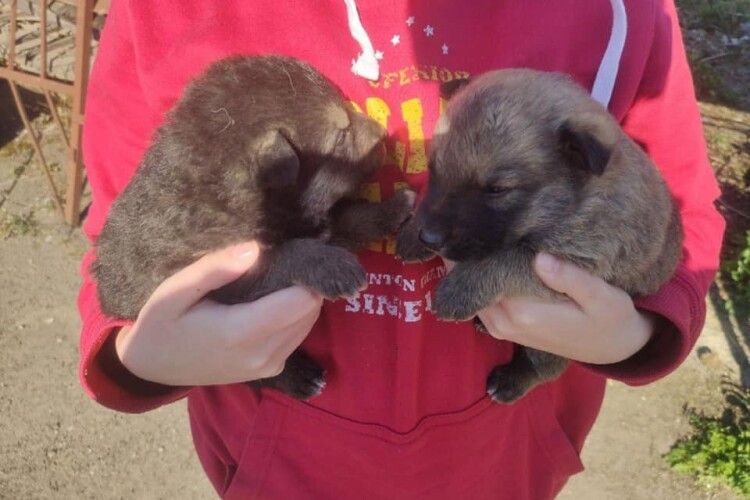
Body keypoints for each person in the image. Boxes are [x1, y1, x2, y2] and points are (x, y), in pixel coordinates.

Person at [77, 0, 725, 498]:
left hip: (502, 464)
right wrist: (142, 356)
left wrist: (632, 336)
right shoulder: (165, 13)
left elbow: (684, 218)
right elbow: (126, 229)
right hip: (276, 466)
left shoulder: (622, 13)